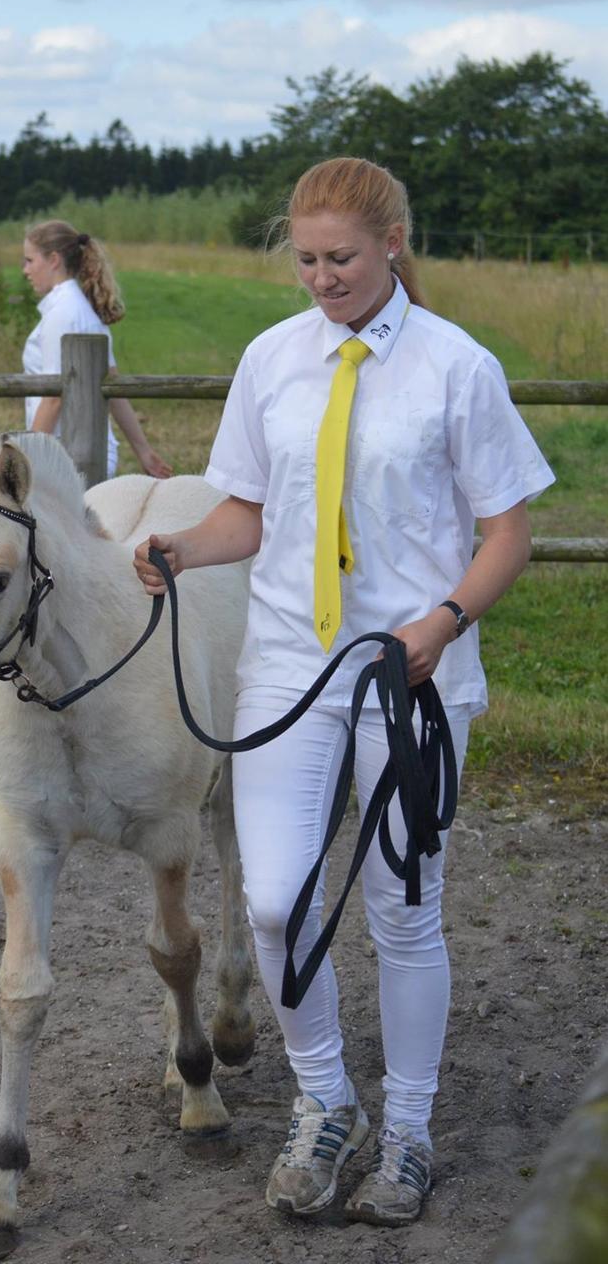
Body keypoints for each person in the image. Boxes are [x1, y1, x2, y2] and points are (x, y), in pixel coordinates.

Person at [133, 158, 554, 1226]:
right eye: (307, 259)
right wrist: (182, 545)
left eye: (342, 259)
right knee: (274, 903)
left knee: (403, 912)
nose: (321, 279)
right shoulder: (271, 359)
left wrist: (444, 620)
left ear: (394, 243)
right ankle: (327, 1101)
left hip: (414, 679)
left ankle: (407, 1130)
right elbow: (250, 514)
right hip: (288, 664)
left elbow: (508, 530)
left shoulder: (457, 367)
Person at [21, 220, 171, 479]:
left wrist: (25, 461)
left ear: (54, 259)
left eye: (30, 260)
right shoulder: (79, 310)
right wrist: (143, 450)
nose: (25, 270)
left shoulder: (63, 314)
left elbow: (54, 398)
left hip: (66, 455)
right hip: (80, 450)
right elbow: (112, 387)